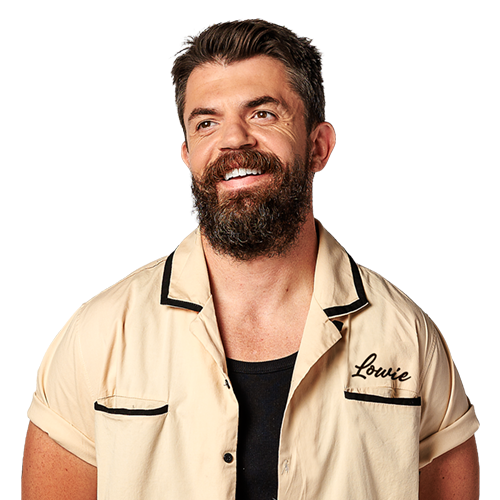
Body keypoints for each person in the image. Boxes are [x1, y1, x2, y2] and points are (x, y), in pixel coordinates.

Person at [22, 19, 479, 500]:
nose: (233, 139)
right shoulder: (99, 335)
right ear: (188, 155)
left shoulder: (407, 339)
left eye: (262, 114)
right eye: (207, 122)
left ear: (318, 146)